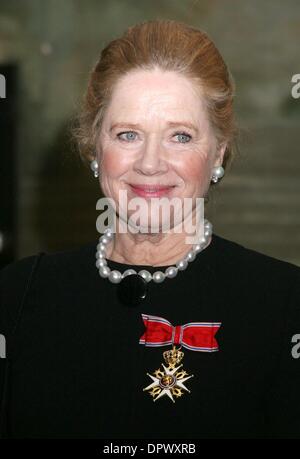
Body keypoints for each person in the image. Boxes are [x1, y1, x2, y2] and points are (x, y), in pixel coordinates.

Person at [0, 19, 300, 439]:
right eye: (127, 134)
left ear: (218, 151)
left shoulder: (285, 306)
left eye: (180, 136)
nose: (150, 163)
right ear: (95, 146)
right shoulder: (17, 296)